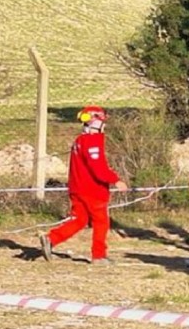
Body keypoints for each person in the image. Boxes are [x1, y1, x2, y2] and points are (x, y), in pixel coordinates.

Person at [40, 106, 128, 264]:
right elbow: (98, 168)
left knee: (79, 220)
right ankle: (99, 255)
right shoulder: (93, 141)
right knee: (101, 221)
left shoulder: (79, 141)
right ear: (95, 122)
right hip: (92, 190)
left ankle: (51, 238)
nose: (104, 125)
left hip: (76, 188)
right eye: (102, 122)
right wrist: (115, 180)